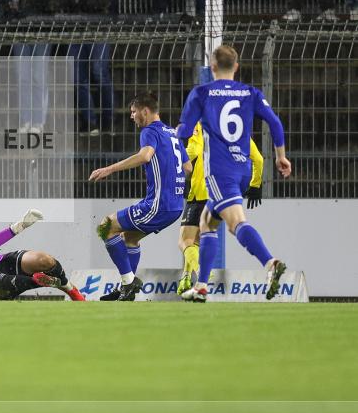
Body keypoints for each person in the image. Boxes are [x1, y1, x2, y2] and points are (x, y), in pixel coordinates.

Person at [177, 45, 292, 303]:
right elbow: (275, 122)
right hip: (243, 169)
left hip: (220, 172)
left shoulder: (202, 93)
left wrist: (178, 137)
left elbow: (185, 130)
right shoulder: (250, 92)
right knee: (208, 222)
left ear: (212, 66)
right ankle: (202, 286)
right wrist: (281, 156)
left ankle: (270, 263)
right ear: (236, 67)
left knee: (235, 223)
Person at [88, 93, 191, 301]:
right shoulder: (172, 134)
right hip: (175, 205)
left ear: (145, 111)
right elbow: (188, 168)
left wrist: (108, 169)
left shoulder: (149, 131)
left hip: (158, 205)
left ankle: (128, 282)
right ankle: (125, 289)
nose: (131, 116)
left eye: (134, 112)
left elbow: (145, 156)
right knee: (130, 238)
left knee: (105, 227)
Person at [176, 121, 264, 296]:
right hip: (224, 192)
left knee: (184, 241)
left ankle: (202, 271)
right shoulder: (237, 127)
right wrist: (255, 184)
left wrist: (175, 155)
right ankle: (185, 278)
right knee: (196, 241)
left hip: (202, 190)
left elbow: (194, 151)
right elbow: (259, 159)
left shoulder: (202, 122)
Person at [47, 0, 120, 135]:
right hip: (75, 30)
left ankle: (109, 121)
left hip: (98, 28)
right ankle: (90, 122)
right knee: (78, 77)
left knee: (98, 71)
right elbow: (51, 1)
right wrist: (64, 2)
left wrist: (95, 3)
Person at [6, 0, 54, 134]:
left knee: (38, 77)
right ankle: (26, 119)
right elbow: (3, 5)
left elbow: (47, 5)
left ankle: (38, 121)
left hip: (40, 34)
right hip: (20, 35)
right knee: (23, 78)